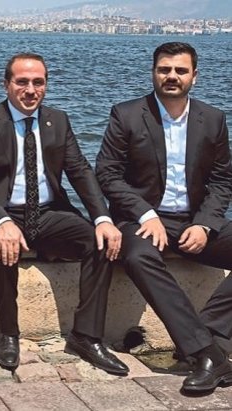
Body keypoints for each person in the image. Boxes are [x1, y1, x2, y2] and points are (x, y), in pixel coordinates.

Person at [0, 52, 128, 375]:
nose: (30, 90)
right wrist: (1, 221)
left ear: (46, 85)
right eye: (22, 82)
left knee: (100, 242)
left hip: (49, 213)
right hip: (4, 213)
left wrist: (103, 218)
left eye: (38, 82)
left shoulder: (58, 121)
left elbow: (80, 171)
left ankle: (86, 336)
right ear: (6, 84)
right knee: (2, 247)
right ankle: (7, 333)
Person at [96, 42, 232, 393]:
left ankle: (209, 333)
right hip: (141, 220)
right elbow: (108, 174)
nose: (172, 76)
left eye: (180, 70)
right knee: (138, 257)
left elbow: (222, 180)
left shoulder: (213, 119)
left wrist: (205, 223)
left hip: (192, 219)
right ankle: (205, 354)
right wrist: (146, 213)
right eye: (164, 69)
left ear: (194, 76)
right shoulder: (126, 114)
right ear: (153, 73)